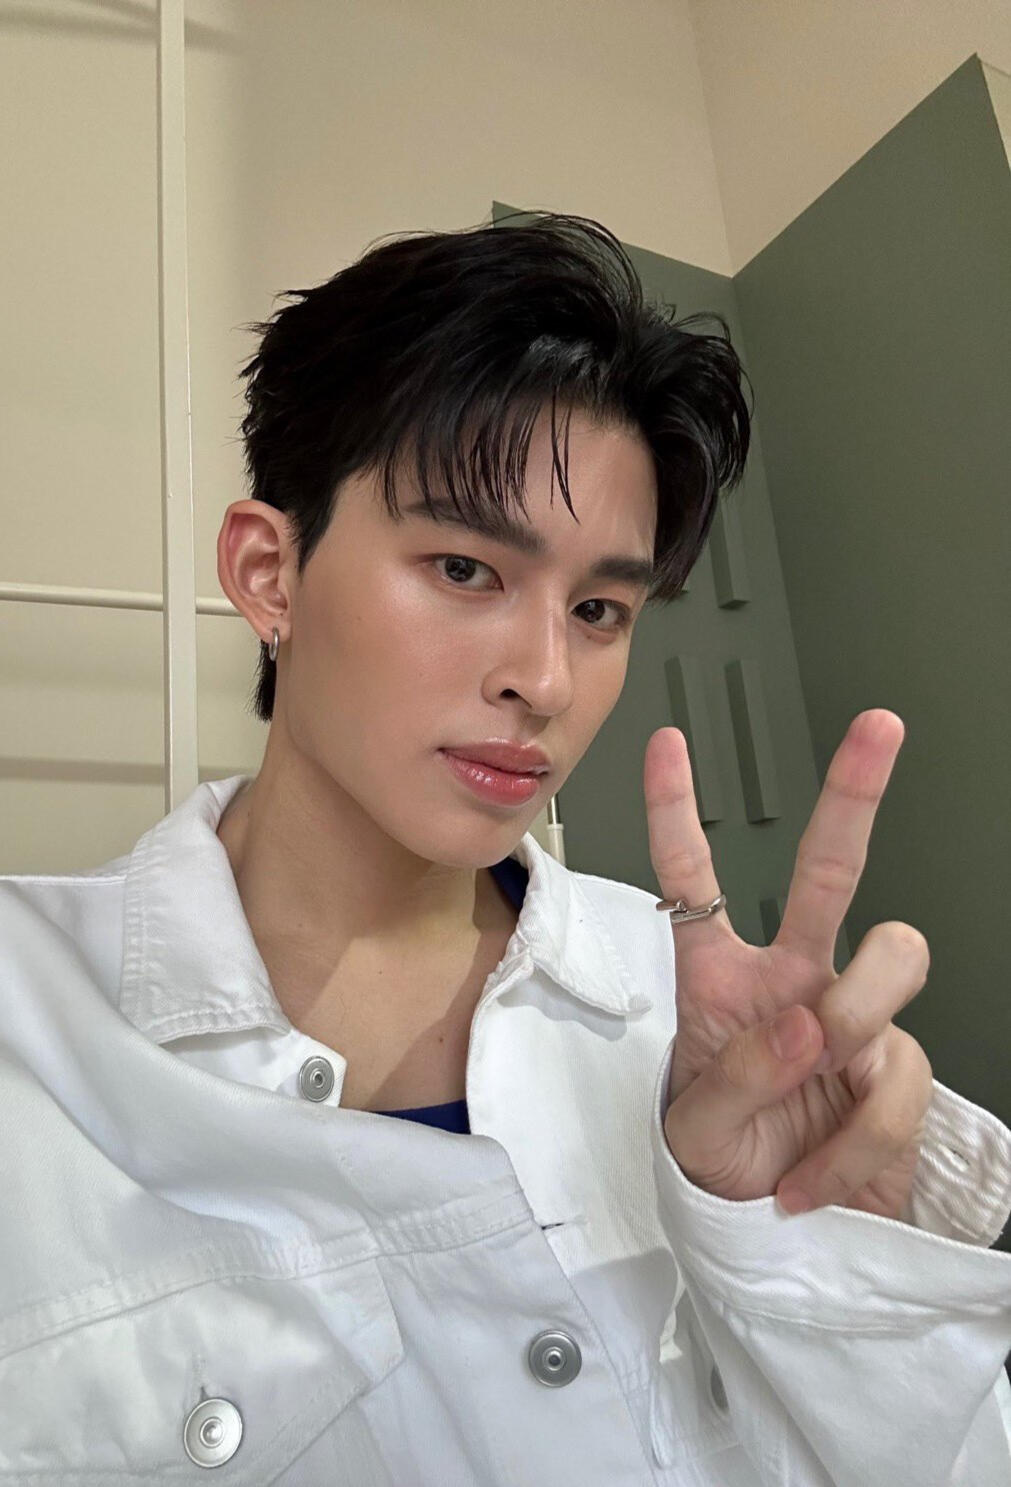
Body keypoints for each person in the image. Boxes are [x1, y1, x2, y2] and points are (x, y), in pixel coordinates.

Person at [0, 212, 1008, 1485]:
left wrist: (811, 1255)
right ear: (269, 573)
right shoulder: (30, 1025)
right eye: (466, 568)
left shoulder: (697, 1018)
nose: (546, 678)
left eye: (599, 608)